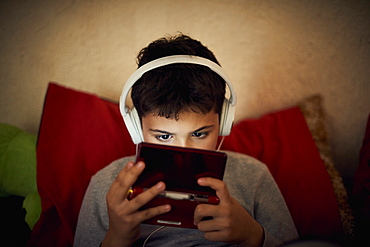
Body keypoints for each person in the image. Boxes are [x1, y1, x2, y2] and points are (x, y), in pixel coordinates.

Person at [74, 34, 298, 247]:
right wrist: (116, 238)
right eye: (164, 136)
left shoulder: (253, 176)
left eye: (199, 134)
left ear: (224, 121)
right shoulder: (106, 186)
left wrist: (253, 236)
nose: (183, 153)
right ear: (136, 128)